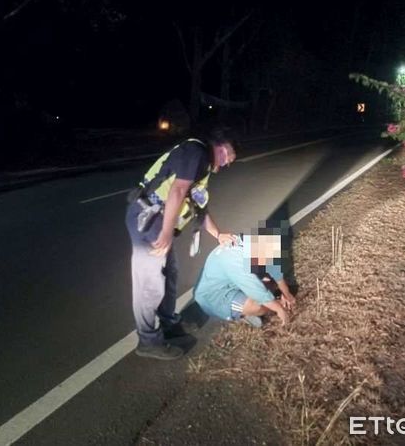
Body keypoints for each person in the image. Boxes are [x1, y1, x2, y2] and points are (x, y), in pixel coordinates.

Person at [125, 127, 238, 360]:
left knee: (170, 275)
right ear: (218, 145)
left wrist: (218, 235)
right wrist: (166, 232)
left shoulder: (202, 168)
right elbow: (177, 191)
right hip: (148, 220)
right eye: (227, 155)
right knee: (150, 283)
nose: (226, 164)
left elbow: (199, 208)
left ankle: (169, 324)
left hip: (158, 222)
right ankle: (148, 341)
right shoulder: (195, 151)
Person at [194, 230, 296, 327]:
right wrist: (279, 308)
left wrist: (287, 294)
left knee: (269, 281)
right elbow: (258, 292)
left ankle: (252, 305)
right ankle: (244, 315)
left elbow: (274, 270)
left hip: (230, 282)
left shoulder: (246, 242)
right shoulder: (237, 261)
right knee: (257, 306)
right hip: (215, 298)